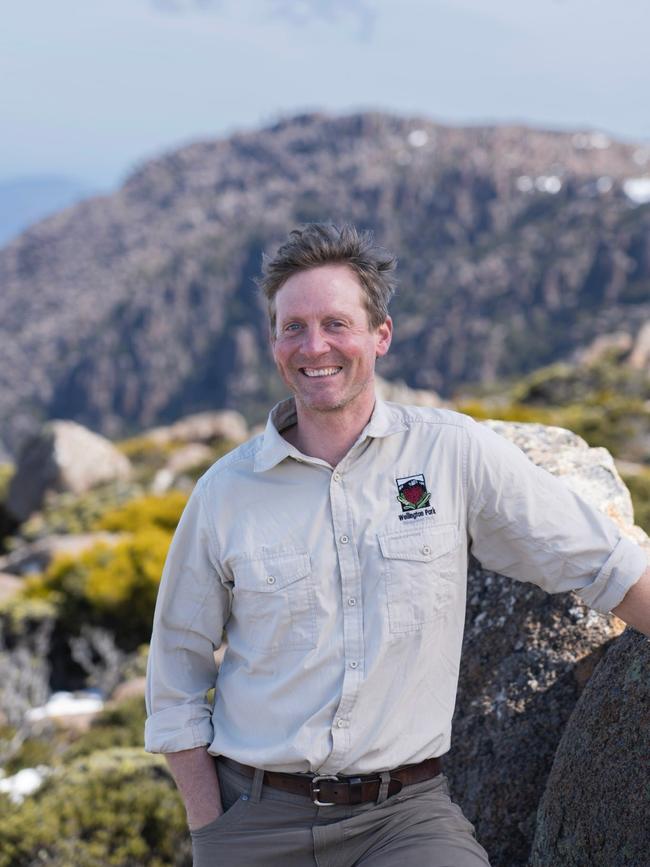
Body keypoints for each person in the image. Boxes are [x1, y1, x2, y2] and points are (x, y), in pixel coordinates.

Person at [144, 223, 650, 867]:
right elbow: (175, 676)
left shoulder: (451, 453)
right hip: (255, 820)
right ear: (273, 342)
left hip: (405, 820)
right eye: (292, 327)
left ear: (381, 335)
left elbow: (601, 559)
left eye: (336, 323)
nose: (314, 345)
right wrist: (211, 830)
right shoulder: (224, 492)